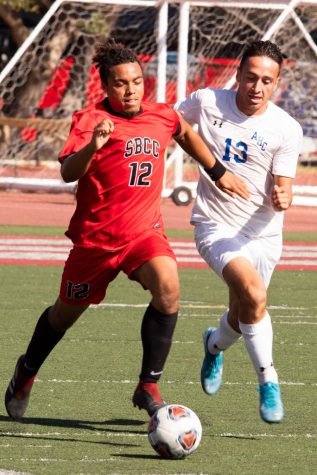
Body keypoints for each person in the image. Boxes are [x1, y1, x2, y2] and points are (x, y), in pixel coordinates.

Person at [5, 39, 249, 420]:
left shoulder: (162, 115)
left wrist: (218, 173)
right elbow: (69, 172)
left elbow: (184, 133)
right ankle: (27, 370)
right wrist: (93, 147)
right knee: (62, 317)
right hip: (95, 242)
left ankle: (148, 384)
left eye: (137, 81)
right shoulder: (89, 121)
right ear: (106, 86)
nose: (131, 89)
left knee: (169, 290)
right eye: (121, 83)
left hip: (143, 234)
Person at [175, 40, 303, 423]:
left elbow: (285, 187)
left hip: (263, 234)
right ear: (238, 74)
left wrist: (283, 197)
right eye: (251, 78)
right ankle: (268, 379)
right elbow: (170, 124)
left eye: (267, 80)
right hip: (216, 226)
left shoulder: (286, 128)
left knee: (246, 308)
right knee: (253, 293)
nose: (257, 88)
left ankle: (213, 345)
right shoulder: (207, 102)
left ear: (277, 83)